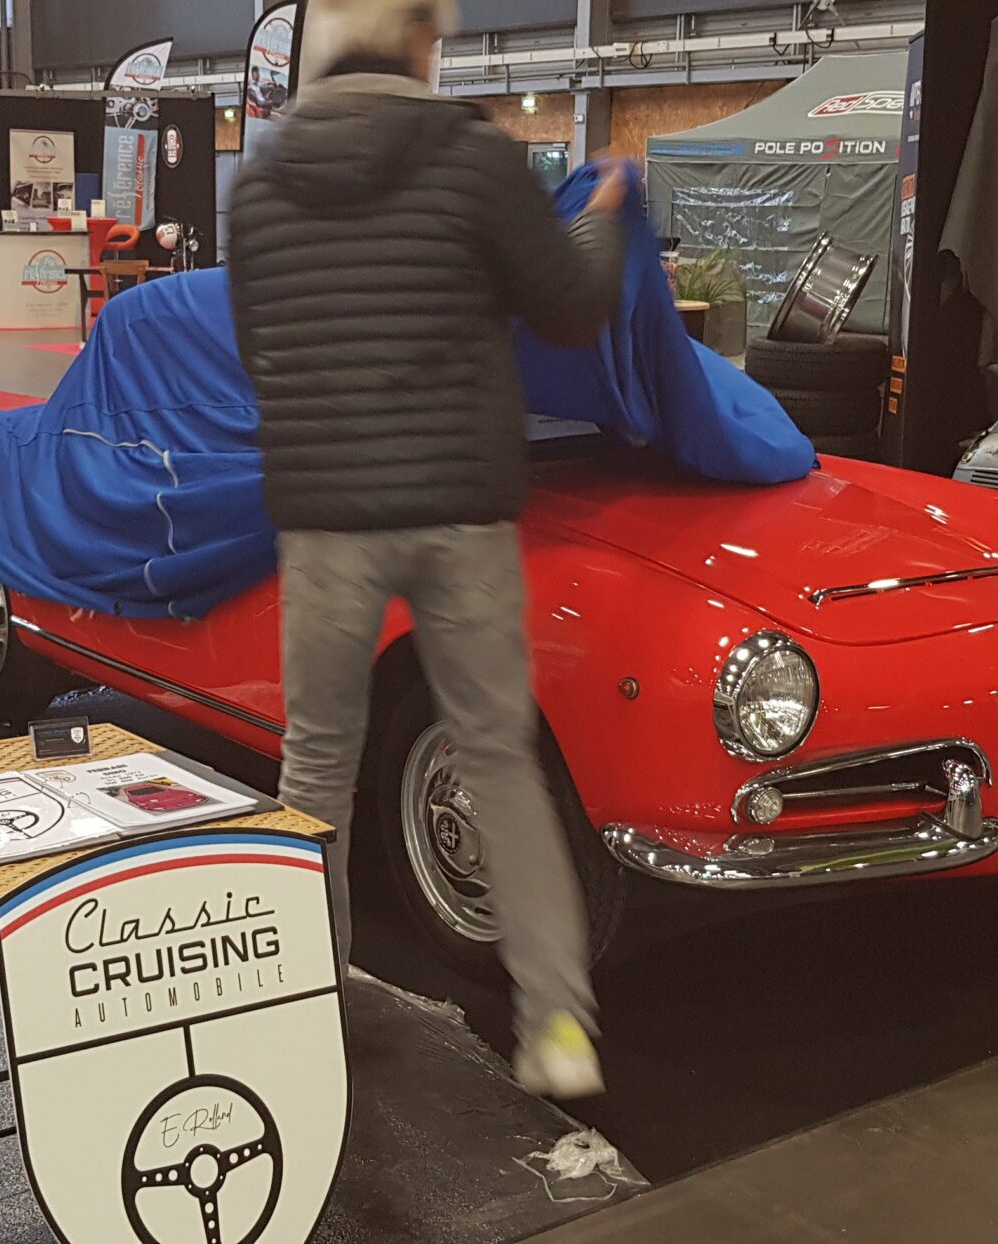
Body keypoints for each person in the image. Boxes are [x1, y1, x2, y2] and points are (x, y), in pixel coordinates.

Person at [225, 0, 629, 1099]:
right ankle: (556, 1026)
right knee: (495, 758)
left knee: (316, 765)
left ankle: (306, 1014)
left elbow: (259, 350)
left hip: (325, 518)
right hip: (460, 511)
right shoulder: (473, 157)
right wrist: (602, 215)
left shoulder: (257, 183)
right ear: (417, 39)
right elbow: (570, 308)